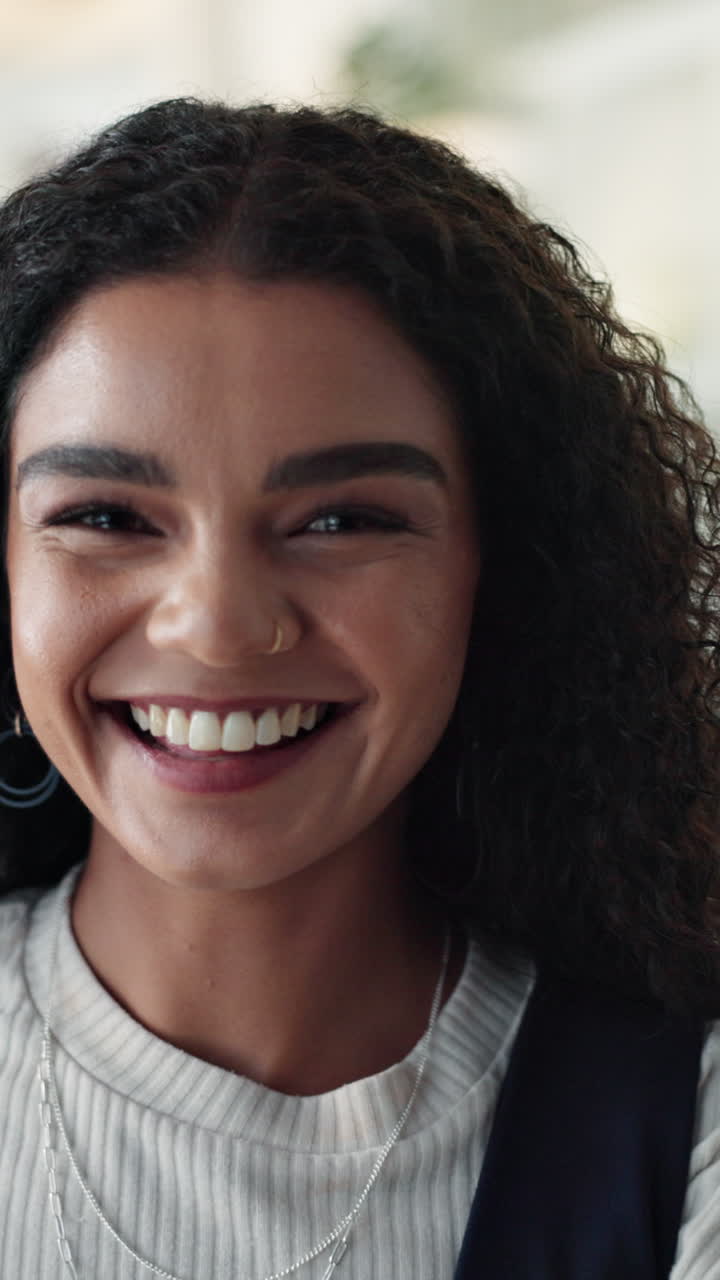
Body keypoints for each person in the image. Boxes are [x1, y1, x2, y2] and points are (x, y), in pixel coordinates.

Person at [0, 96, 718, 1280]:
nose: (221, 627)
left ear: (507, 565)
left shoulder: (683, 1132)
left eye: (343, 518)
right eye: (107, 517)